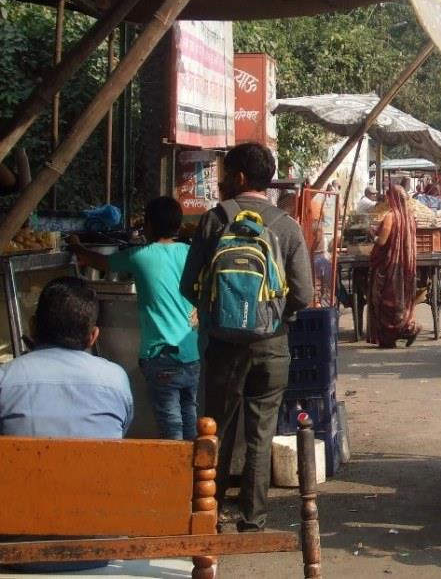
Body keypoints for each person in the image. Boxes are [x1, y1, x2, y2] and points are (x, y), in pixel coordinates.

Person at [181, 142, 313, 533]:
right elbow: (303, 294)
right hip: (271, 345)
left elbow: (189, 284)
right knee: (261, 430)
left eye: (225, 173)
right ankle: (253, 517)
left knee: (215, 428)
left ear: (238, 177)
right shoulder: (287, 227)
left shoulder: (214, 220)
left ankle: (209, 510)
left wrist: (219, 314)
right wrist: (273, 316)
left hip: (223, 345)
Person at [69, 196, 199, 440]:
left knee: (170, 424)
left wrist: (77, 247)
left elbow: (102, 262)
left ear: (148, 226)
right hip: (191, 353)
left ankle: (175, 476)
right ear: (179, 226)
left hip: (161, 354)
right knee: (189, 415)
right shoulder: (190, 253)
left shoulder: (141, 256)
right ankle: (194, 475)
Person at [0, 277, 133, 438]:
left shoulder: (4, 379)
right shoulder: (116, 379)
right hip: (94, 463)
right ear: (93, 336)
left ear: (32, 326)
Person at [367, 184, 421, 348]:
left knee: (385, 300)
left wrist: (372, 236)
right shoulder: (409, 216)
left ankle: (395, 334)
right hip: (406, 265)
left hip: (390, 265)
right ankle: (406, 328)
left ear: (393, 198)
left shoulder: (391, 216)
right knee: (401, 300)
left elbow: (382, 241)